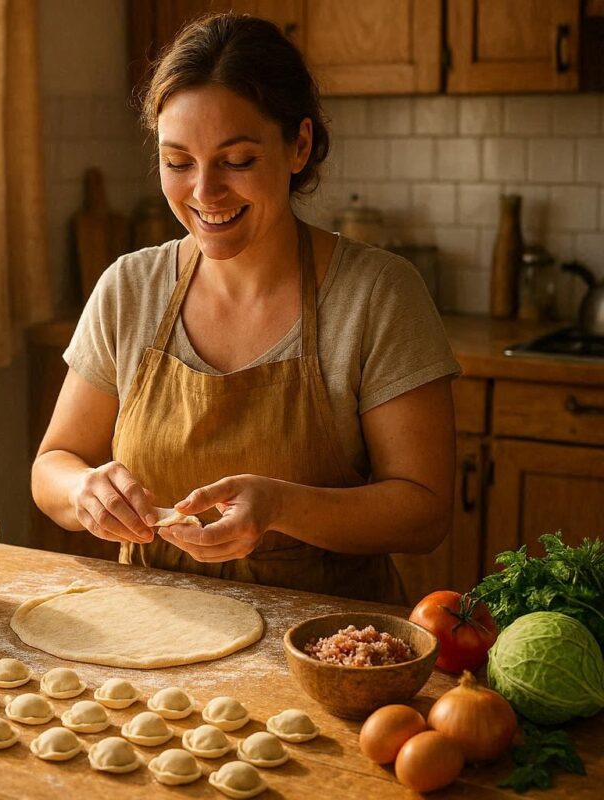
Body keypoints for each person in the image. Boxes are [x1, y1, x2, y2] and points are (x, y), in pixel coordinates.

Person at [32, 13, 460, 604]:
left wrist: (281, 506)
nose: (205, 193)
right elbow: (53, 463)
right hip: (147, 635)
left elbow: (425, 512)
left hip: (322, 650)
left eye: (237, 161)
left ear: (298, 146)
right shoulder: (129, 288)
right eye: (178, 162)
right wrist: (83, 489)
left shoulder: (377, 295)